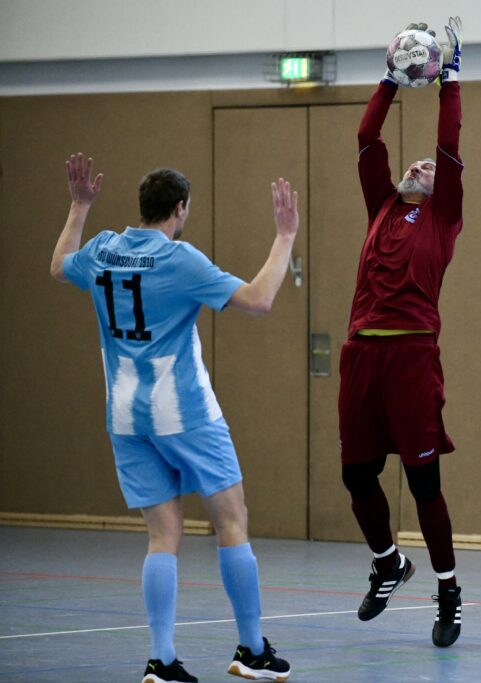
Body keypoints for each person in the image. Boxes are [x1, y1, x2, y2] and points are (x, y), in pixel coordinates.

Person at [50, 154, 296, 683]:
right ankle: (252, 649)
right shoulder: (179, 260)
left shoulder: (104, 250)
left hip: (124, 413)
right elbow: (259, 298)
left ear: (142, 208)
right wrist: (284, 237)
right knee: (232, 520)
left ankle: (161, 659)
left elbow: (59, 263)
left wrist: (79, 206)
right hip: (183, 411)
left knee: (163, 535)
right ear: (179, 209)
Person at [338, 17, 465, 648]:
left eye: (429, 166)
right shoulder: (382, 204)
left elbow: (447, 144)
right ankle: (389, 564)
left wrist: (449, 82)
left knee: (423, 484)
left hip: (413, 354)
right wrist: (390, 81)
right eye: (412, 164)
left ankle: (448, 591)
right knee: (356, 476)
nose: (419, 164)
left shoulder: (442, 218)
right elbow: (367, 134)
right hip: (362, 351)